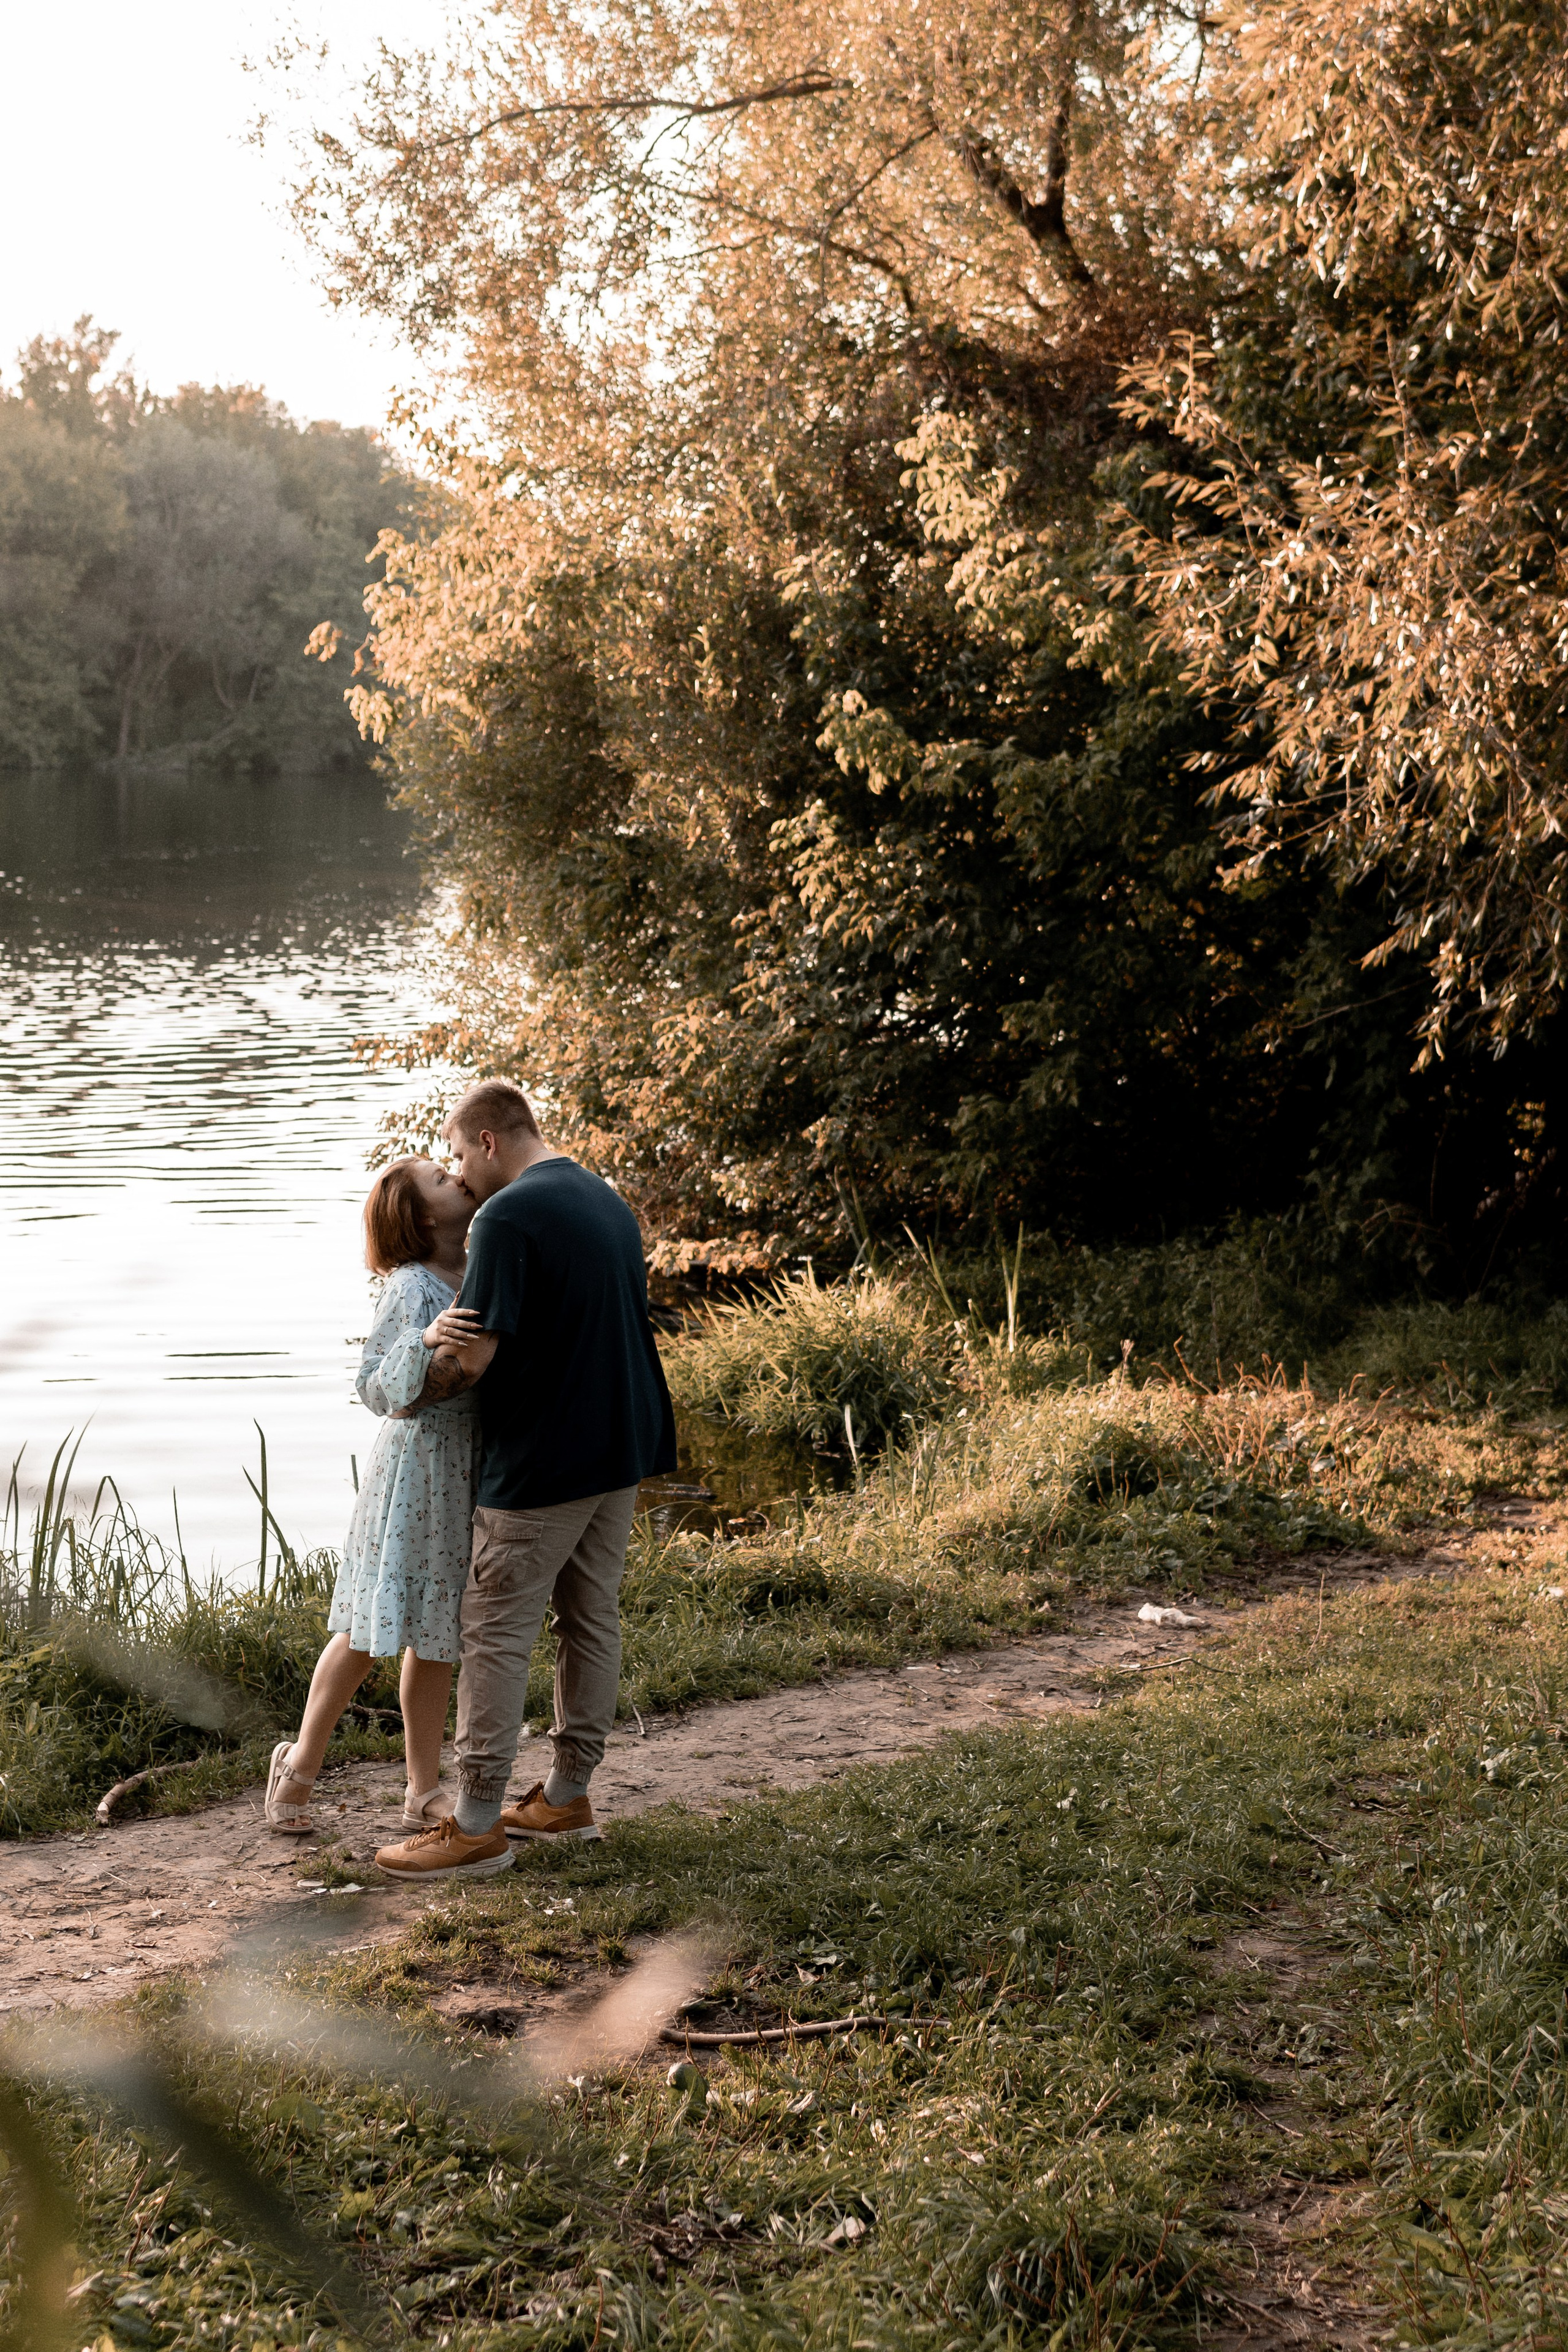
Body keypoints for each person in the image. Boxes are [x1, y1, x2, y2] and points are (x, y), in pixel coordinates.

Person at [373, 1077, 677, 1882]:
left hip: (545, 1459)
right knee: (590, 1618)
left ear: (487, 1142)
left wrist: (409, 1380)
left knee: (495, 1628)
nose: (459, 1178)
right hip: (624, 1446)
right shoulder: (604, 1199)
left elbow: (471, 1358)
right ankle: (567, 1797)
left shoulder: (505, 1217)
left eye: (456, 1157)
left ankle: (474, 1823)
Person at [264, 1156, 480, 1836]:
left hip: (466, 1467)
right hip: (413, 1471)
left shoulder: (479, 1270)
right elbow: (373, 1389)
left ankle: (422, 1790)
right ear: (421, 1216)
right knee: (365, 1628)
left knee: (438, 1630)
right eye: (441, 1180)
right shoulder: (411, 1287)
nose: (457, 1177)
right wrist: (423, 1339)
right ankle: (298, 1764)